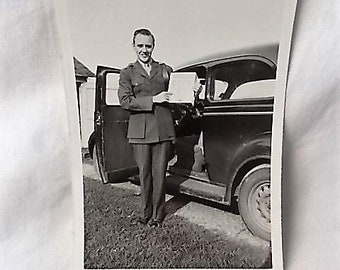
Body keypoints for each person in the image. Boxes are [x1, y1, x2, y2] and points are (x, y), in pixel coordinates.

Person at [118, 28, 174, 228]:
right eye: (140, 45)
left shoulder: (165, 70)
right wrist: (154, 99)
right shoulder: (127, 73)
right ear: (133, 46)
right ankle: (145, 213)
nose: (144, 50)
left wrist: (194, 89)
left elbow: (177, 93)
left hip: (162, 129)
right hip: (140, 131)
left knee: (160, 173)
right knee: (145, 174)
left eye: (148, 46)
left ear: (153, 46)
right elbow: (125, 101)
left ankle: (158, 215)